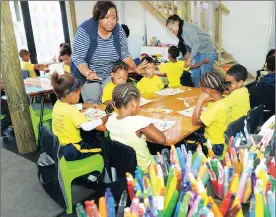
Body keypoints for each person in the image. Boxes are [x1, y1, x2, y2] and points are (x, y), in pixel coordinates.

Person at [71, 1, 145, 103]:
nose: (111, 21)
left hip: (108, 73)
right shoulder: (85, 30)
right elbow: (78, 57)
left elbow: (124, 53)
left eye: (114, 18)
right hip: (88, 75)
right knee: (94, 99)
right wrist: (88, 73)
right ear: (98, 17)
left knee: (113, 99)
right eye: (107, 17)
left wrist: (134, 66)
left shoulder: (118, 30)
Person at [106, 83, 166, 172]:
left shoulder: (110, 119)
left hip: (125, 168)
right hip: (147, 171)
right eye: (139, 102)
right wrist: (150, 125)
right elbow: (162, 140)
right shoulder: (139, 122)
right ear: (133, 102)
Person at [51, 73, 108, 161]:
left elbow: (74, 107)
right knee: (105, 146)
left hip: (61, 147)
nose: (79, 96)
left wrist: (87, 105)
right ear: (71, 95)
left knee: (93, 138)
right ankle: (96, 173)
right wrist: (103, 119)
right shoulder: (71, 111)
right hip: (76, 149)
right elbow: (87, 127)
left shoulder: (58, 105)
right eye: (78, 94)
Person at [166, 14, 216, 87]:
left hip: (207, 50)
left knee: (204, 75)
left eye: (171, 28)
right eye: (169, 30)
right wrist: (189, 52)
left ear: (176, 23)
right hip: (198, 52)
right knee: (195, 75)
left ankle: (205, 95)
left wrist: (189, 59)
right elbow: (189, 43)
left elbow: (196, 43)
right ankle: (196, 93)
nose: (171, 31)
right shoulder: (180, 33)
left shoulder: (186, 27)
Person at [192, 72, 230, 156]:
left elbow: (195, 122)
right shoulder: (223, 99)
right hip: (221, 139)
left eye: (201, 89)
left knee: (189, 141)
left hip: (214, 145)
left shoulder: (216, 107)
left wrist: (200, 101)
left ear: (207, 90)